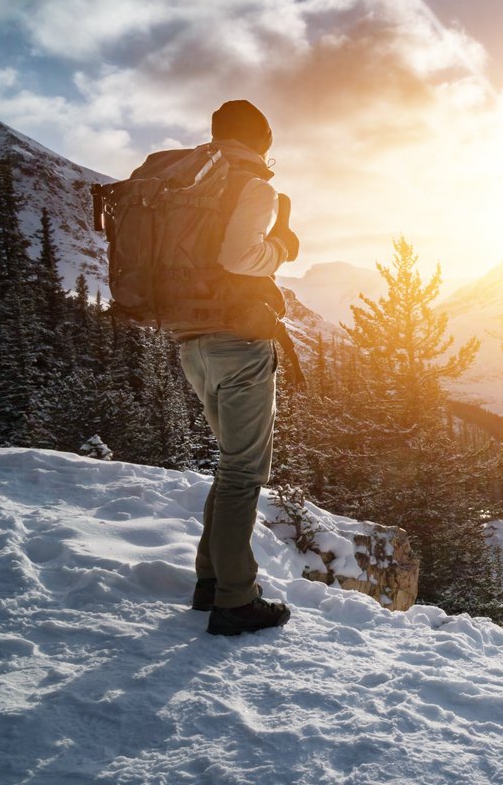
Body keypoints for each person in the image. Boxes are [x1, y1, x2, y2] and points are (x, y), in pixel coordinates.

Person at [180, 100, 299, 635]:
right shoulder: (251, 184)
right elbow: (239, 257)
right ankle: (234, 600)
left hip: (193, 343)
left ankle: (210, 584)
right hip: (239, 344)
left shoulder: (190, 183)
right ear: (264, 138)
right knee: (243, 474)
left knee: (230, 468)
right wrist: (282, 246)